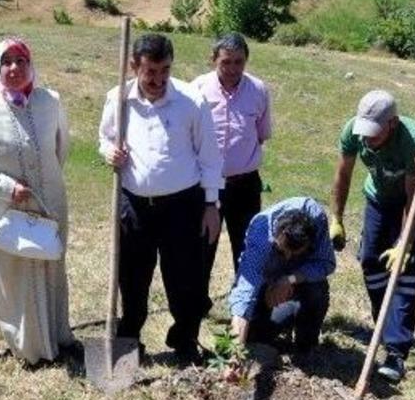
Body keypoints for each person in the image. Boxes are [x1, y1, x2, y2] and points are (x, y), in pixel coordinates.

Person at [98, 33, 223, 365]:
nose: (158, 80)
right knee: (133, 276)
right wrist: (110, 152)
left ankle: (185, 339)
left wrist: (211, 205)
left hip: (183, 205)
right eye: (150, 72)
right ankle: (128, 342)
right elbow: (105, 138)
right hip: (135, 205)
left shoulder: (191, 100)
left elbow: (210, 156)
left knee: (184, 277)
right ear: (134, 66)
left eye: (164, 70)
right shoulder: (118, 99)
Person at [0, 38, 72, 364]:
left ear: (30, 64)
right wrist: (6, 187)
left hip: (50, 204)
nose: (14, 69)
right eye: (6, 62)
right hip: (7, 208)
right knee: (15, 273)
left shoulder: (51, 101)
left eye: (21, 61)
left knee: (50, 267)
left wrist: (45, 183)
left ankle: (57, 337)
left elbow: (61, 148)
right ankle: (27, 347)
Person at [330, 90, 415, 382]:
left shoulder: (411, 140)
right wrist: (336, 219)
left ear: (393, 123)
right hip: (377, 197)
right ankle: (384, 330)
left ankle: (397, 352)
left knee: (405, 267)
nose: (367, 140)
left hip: (412, 202)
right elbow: (343, 174)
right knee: (370, 261)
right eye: (365, 133)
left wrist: (405, 243)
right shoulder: (353, 132)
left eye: (374, 134)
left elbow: (413, 199)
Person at [191, 32, 273, 310]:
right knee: (202, 246)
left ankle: (245, 304)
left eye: (239, 62)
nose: (233, 69)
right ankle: (197, 304)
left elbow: (261, 134)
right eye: (226, 62)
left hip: (245, 184)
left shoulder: (258, 90)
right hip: (206, 184)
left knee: (248, 246)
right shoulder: (198, 89)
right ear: (214, 60)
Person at [228, 197, 336, 356]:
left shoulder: (317, 219)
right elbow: (245, 291)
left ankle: (305, 345)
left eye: (295, 254)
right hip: (267, 287)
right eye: (281, 251)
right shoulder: (261, 233)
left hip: (299, 283)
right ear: (278, 233)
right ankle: (289, 313)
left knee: (317, 290)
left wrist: (289, 279)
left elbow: (326, 263)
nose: (287, 258)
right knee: (254, 335)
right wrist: (235, 354)